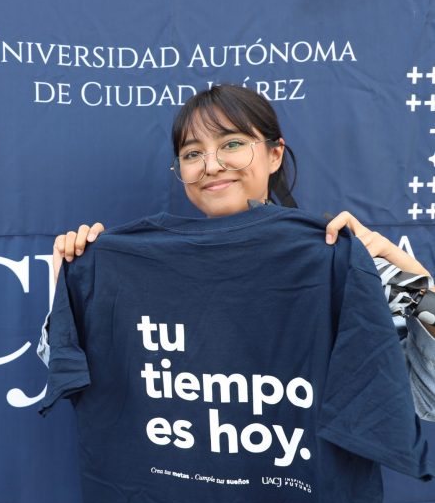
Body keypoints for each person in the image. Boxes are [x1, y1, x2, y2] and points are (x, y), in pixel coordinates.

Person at [41, 84, 435, 420]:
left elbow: (426, 400)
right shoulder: (143, 268)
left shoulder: (333, 260)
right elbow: (89, 380)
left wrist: (418, 287)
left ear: (274, 154)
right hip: (182, 479)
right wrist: (73, 290)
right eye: (192, 153)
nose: (212, 165)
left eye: (232, 144)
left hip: (300, 485)